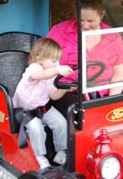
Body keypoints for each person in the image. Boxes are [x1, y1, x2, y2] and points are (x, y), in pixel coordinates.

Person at [47, 0, 123, 97]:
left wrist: (112, 99)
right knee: (79, 113)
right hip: (68, 90)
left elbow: (119, 72)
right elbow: (43, 61)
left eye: (90, 21)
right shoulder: (59, 31)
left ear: (102, 15)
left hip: (105, 89)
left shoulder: (113, 36)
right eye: (81, 20)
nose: (85, 26)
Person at [12, 38, 75, 169]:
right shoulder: (34, 68)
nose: (57, 64)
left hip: (42, 108)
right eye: (53, 61)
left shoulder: (51, 75)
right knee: (36, 128)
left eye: (58, 61)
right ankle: (39, 157)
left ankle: (61, 152)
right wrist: (58, 70)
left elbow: (53, 95)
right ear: (39, 57)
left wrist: (65, 89)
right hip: (25, 112)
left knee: (61, 123)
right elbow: (39, 76)